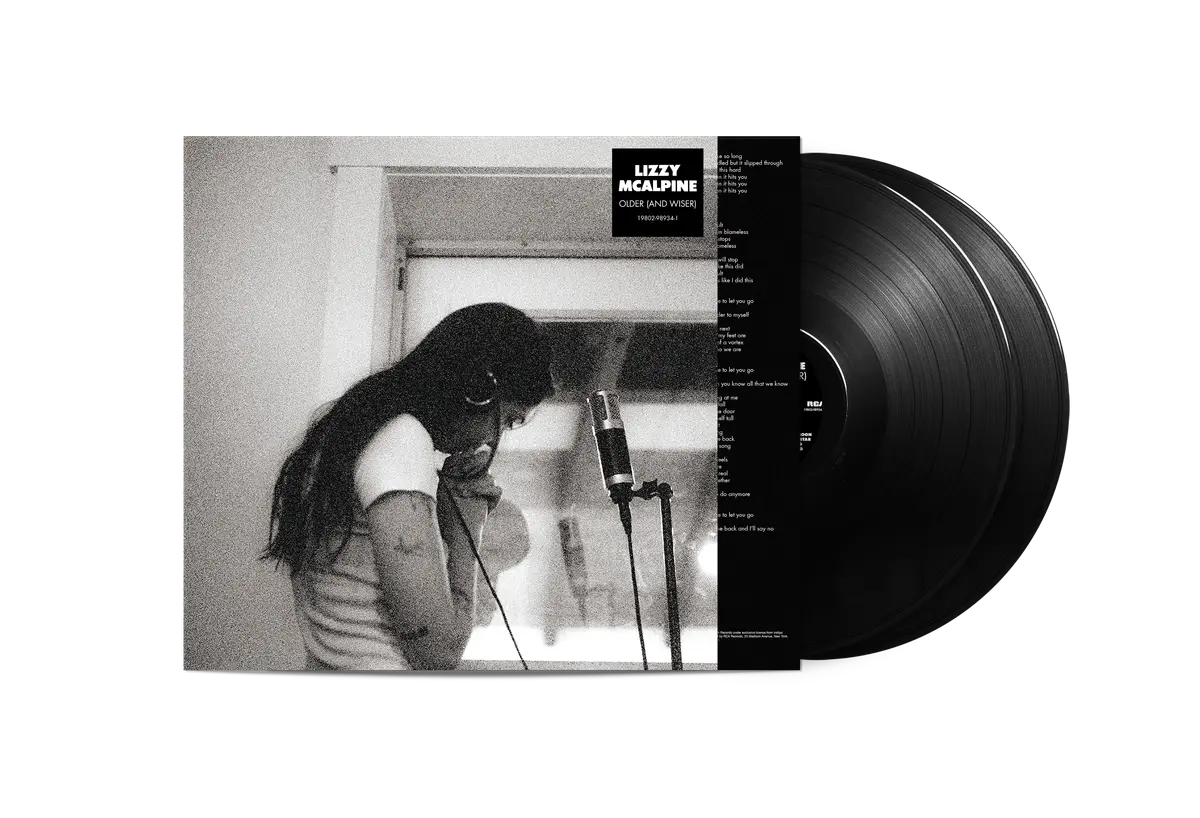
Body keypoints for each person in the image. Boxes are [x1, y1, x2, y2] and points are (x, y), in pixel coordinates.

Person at [261, 302, 555, 670]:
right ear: (478, 391)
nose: (491, 440)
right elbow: (438, 655)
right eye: (508, 420)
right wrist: (466, 524)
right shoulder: (401, 440)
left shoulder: (352, 428)